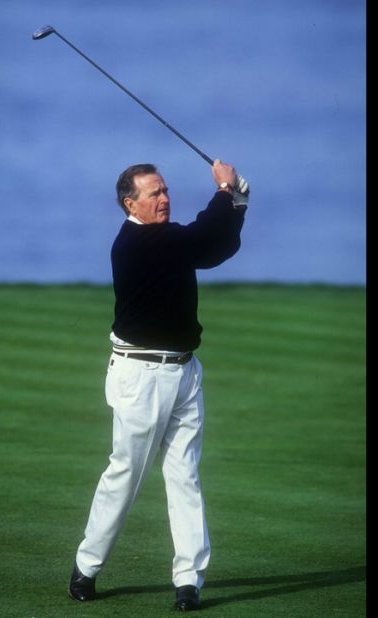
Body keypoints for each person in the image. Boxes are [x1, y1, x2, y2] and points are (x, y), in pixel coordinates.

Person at [68, 160, 249, 611]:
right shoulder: (139, 241)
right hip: (140, 377)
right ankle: (87, 566)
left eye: (165, 190)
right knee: (125, 474)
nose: (164, 198)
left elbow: (212, 250)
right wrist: (226, 190)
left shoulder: (167, 239)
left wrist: (236, 201)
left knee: (184, 476)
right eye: (153, 194)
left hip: (185, 371)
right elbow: (202, 239)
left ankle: (188, 580)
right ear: (131, 204)